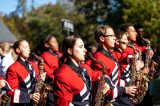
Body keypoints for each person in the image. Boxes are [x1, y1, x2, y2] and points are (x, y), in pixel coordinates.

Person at [86, 25, 137, 106]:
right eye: (111, 36)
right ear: (102, 39)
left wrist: (129, 85)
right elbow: (106, 88)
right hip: (110, 101)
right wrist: (125, 90)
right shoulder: (99, 58)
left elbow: (115, 79)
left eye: (114, 36)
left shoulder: (109, 55)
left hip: (117, 95)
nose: (115, 38)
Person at [53, 35, 111, 106]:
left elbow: (97, 75)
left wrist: (106, 83)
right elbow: (63, 104)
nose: (85, 50)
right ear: (70, 51)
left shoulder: (84, 68)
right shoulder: (62, 75)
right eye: (81, 47)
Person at [6, 39, 40, 105]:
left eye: (29, 47)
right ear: (18, 50)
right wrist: (29, 96)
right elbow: (12, 91)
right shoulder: (12, 68)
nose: (29, 49)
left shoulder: (31, 64)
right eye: (25, 47)